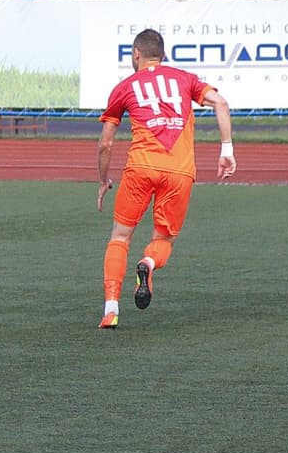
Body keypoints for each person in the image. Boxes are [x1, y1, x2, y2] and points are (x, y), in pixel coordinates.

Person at [94, 28, 236, 329]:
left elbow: (105, 143)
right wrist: (226, 150)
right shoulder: (185, 79)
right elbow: (221, 103)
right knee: (163, 239)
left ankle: (110, 308)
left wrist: (104, 179)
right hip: (179, 172)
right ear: (163, 54)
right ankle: (148, 264)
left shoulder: (126, 86)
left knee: (119, 238)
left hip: (140, 168)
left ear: (136, 54)